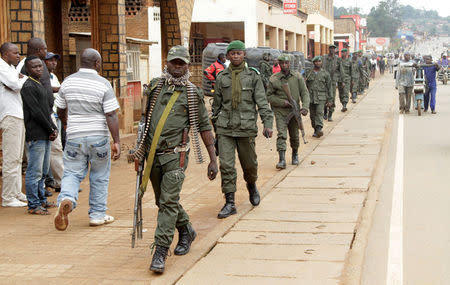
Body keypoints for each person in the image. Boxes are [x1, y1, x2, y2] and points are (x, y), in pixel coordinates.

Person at [127, 45, 218, 273]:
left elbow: (205, 127)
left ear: (188, 65)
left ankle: (160, 251)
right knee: (162, 201)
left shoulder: (192, 92)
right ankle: (186, 229)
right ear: (166, 63)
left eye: (182, 63)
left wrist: (213, 159)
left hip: (175, 156)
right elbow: (144, 121)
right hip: (152, 155)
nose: (178, 67)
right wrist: (139, 149)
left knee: (167, 203)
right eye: (174, 62)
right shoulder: (155, 87)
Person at [53, 48, 120, 230]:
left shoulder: (68, 82)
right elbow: (111, 114)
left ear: (80, 62)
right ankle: (97, 215)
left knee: (72, 173)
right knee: (99, 175)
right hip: (98, 137)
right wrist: (117, 141)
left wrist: (66, 124)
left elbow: (59, 109)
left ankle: (67, 198)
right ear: (97, 63)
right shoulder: (103, 84)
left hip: (75, 136)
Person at [212, 40, 273, 219]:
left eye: (239, 53)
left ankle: (252, 185)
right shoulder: (222, 77)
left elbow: (262, 102)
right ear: (228, 56)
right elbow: (216, 107)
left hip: (246, 128)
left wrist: (267, 123)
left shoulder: (253, 77)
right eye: (232, 53)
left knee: (250, 165)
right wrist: (214, 129)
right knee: (227, 166)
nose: (236, 56)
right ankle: (230, 202)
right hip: (225, 129)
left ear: (244, 55)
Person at [21, 56, 58, 215]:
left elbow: (46, 111)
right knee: (34, 171)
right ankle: (33, 204)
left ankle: (42, 199)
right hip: (36, 134)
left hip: (45, 133)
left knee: (43, 171)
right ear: (27, 69)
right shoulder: (28, 86)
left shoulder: (39, 85)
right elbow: (36, 112)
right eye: (34, 67)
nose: (38, 69)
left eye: (40, 66)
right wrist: (50, 129)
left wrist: (52, 128)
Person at [266, 54, 309, 169]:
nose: (284, 65)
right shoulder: (274, 79)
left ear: (290, 63)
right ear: (279, 64)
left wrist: (304, 107)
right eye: (282, 63)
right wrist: (281, 102)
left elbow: (304, 93)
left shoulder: (297, 77)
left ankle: (295, 154)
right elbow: (269, 96)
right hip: (280, 111)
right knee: (281, 134)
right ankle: (282, 159)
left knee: (294, 135)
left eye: (286, 63)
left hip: (294, 110)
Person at [0, 42, 27, 207]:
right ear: (4, 54)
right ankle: (8, 197)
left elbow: (16, 84)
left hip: (17, 114)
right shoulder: (2, 67)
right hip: (10, 115)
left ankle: (16, 192)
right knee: (11, 158)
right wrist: (20, 80)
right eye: (14, 53)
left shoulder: (10, 68)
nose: (18, 56)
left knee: (17, 158)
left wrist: (18, 79)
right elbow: (16, 84)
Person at [44, 52, 64, 192]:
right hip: (48, 116)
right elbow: (47, 90)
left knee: (57, 149)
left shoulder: (54, 77)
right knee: (54, 149)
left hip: (57, 115)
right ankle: (57, 181)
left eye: (55, 60)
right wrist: (60, 88)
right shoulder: (43, 76)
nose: (54, 63)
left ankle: (57, 181)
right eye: (50, 60)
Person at [304, 56, 332, 138]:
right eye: (316, 61)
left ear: (321, 62)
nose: (318, 63)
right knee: (312, 115)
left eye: (319, 61)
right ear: (313, 63)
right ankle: (315, 130)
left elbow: (329, 87)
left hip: (321, 97)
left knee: (319, 113)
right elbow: (304, 86)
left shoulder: (325, 74)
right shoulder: (309, 73)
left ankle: (319, 129)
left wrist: (330, 100)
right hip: (311, 97)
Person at [321, 45, 343, 122]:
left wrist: (342, 81)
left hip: (333, 82)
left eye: (333, 49)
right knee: (323, 97)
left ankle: (330, 114)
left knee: (332, 97)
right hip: (324, 81)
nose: (332, 50)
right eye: (331, 48)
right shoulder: (324, 58)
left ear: (335, 50)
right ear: (328, 49)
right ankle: (325, 112)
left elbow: (341, 70)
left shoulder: (337, 59)